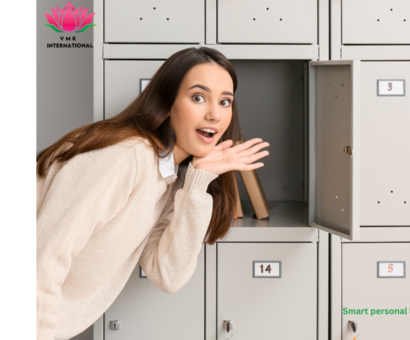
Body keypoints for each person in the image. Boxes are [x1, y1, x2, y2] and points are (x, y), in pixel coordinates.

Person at [36, 47, 269, 340]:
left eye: (225, 101)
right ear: (167, 101)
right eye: (198, 97)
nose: (214, 114)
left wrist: (198, 183)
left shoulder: (170, 177)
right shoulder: (125, 157)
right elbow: (43, 258)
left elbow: (167, 274)